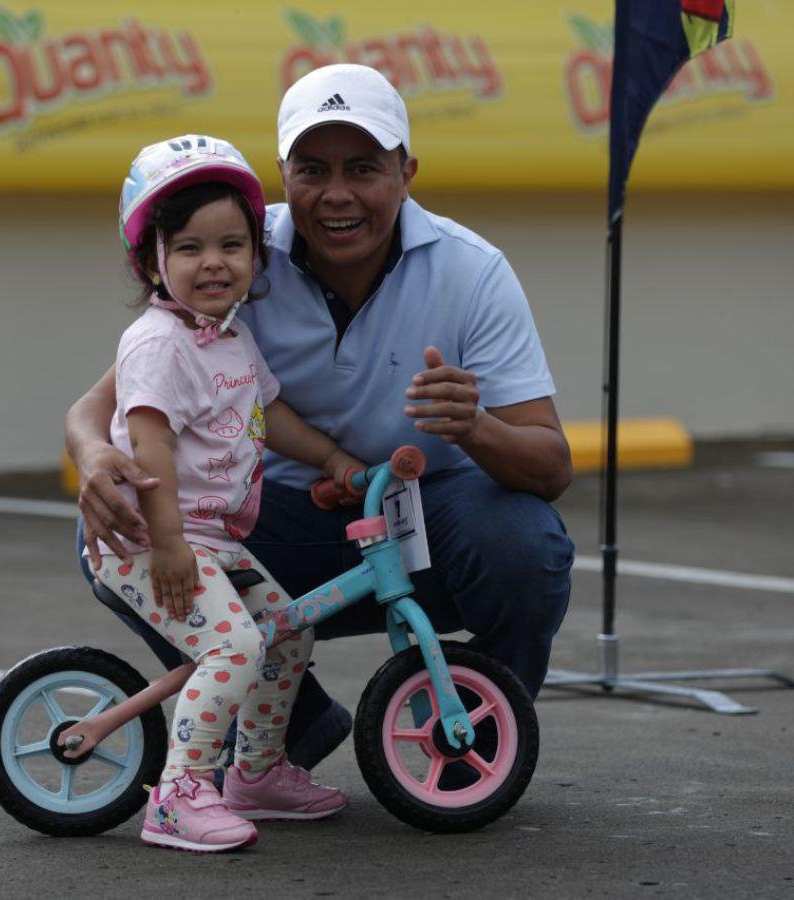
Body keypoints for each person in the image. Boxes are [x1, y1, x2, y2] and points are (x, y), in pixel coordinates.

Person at [66, 65, 575, 783]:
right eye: (312, 169)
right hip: (271, 527)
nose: (337, 194)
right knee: (122, 526)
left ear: (407, 172)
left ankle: (472, 743)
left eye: (364, 168)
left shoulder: (473, 273)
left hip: (417, 526)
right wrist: (92, 457)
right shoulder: (235, 249)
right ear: (282, 174)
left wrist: (474, 426)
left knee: (524, 541)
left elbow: (551, 468)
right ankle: (282, 739)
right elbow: (99, 404)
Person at [94, 134, 359, 853]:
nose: (213, 262)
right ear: (150, 260)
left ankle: (257, 773)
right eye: (188, 247)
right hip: (153, 543)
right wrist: (172, 547)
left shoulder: (227, 336)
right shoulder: (158, 344)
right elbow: (148, 448)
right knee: (235, 645)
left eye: (232, 245)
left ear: (255, 255)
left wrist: (336, 459)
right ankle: (178, 797)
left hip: (212, 542)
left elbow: (270, 418)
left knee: (288, 627)